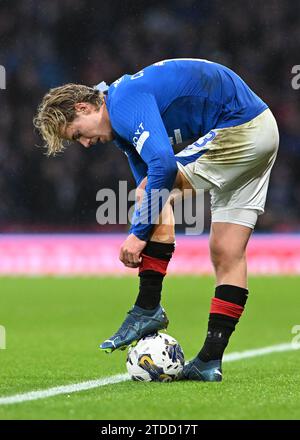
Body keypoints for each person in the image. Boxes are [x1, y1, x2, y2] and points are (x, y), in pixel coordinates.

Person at [33, 58, 279, 381]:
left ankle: (147, 306)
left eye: (78, 133)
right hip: (263, 132)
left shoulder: (122, 103)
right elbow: (152, 185)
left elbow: (162, 167)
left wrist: (138, 236)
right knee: (226, 251)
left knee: (153, 187)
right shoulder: (121, 123)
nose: (85, 143)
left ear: (84, 106)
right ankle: (209, 361)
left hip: (242, 128)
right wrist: (146, 228)